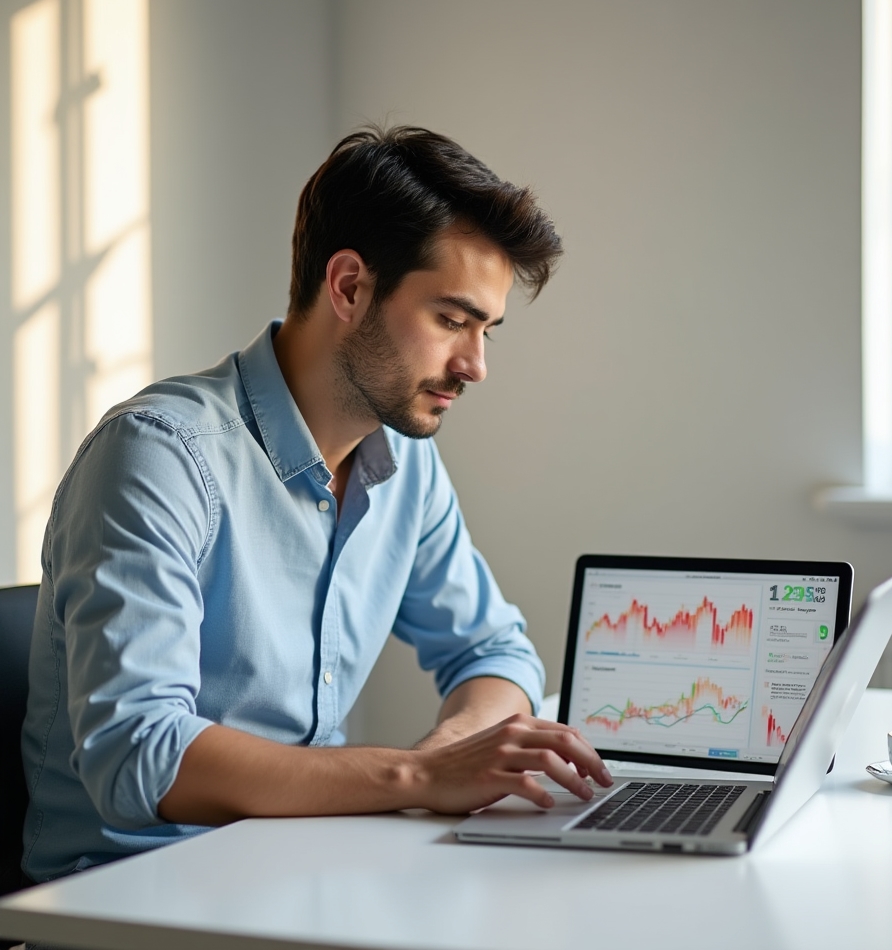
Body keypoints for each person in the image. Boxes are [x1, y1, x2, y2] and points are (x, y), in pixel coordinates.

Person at [21, 125, 613, 883]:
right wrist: (417, 777)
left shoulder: (406, 465)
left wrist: (455, 750)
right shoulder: (160, 456)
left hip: (304, 870)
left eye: (486, 331)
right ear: (349, 287)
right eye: (452, 320)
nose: (475, 365)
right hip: (129, 897)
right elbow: (140, 754)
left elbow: (494, 652)